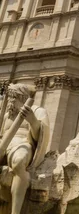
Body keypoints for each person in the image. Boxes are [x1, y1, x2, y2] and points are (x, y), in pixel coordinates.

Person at [0, 84, 50, 214]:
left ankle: (15, 211)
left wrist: (33, 121)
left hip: (22, 144)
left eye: (13, 97)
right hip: (4, 144)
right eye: (10, 97)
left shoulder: (37, 111)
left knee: (19, 161)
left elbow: (41, 136)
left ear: (22, 97)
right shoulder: (7, 115)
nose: (10, 101)